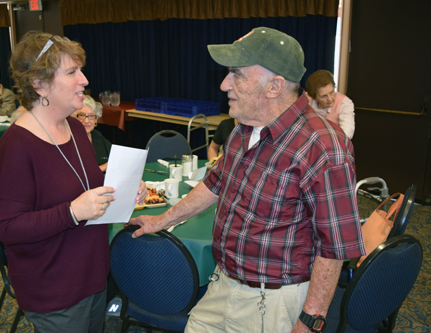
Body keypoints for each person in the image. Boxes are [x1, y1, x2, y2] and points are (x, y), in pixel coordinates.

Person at [129, 27, 365, 333]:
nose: (224, 84)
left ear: (275, 86)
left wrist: (310, 320)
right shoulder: (245, 127)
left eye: (236, 74)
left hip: (276, 301)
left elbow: (334, 247)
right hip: (223, 283)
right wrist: (161, 220)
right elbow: (214, 184)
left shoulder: (324, 147)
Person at [0, 31, 146, 333]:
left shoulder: (75, 127)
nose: (84, 80)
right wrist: (73, 212)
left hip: (91, 274)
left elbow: (77, 184)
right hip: (54, 289)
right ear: (39, 83)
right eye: (72, 72)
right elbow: (7, 227)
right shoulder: (17, 146)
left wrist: (119, 187)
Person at [305, 69, 355, 139]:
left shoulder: (344, 103)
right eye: (324, 96)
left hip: (333, 144)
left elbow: (346, 133)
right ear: (314, 98)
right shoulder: (306, 100)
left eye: (332, 92)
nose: (330, 99)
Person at [73, 95, 111, 172]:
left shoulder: (97, 136)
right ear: (72, 117)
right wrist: (105, 167)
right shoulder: (67, 140)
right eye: (81, 115)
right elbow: (78, 175)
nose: (87, 121)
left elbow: (115, 159)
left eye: (91, 116)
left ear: (96, 120)